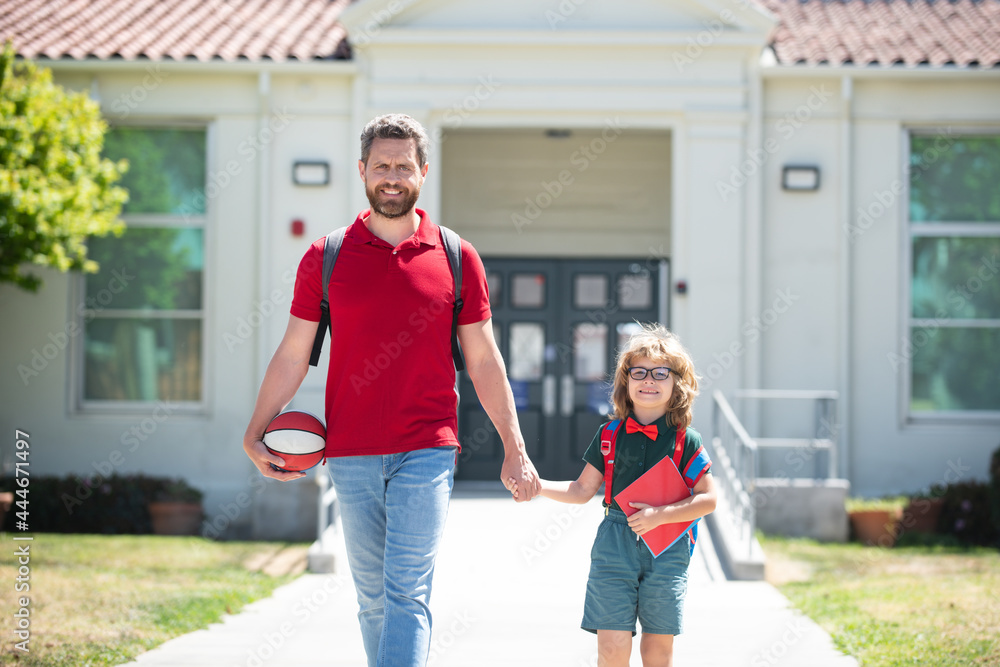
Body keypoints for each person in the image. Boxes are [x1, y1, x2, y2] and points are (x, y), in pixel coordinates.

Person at [242, 113, 541, 667]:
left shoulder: (455, 256)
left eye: (405, 165)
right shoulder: (326, 257)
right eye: (382, 164)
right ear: (362, 171)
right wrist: (255, 431)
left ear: (423, 172)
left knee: (406, 590)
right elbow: (292, 353)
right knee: (374, 599)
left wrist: (514, 448)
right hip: (350, 453)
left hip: (426, 449)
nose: (392, 175)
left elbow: (484, 359)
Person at [512, 323, 716, 667]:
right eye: (638, 372)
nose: (648, 380)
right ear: (625, 380)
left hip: (667, 546)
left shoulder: (686, 440)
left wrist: (660, 516)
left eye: (660, 373)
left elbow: (708, 500)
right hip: (614, 544)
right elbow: (581, 490)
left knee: (657, 649)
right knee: (611, 646)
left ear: (677, 382)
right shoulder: (609, 434)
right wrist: (537, 486)